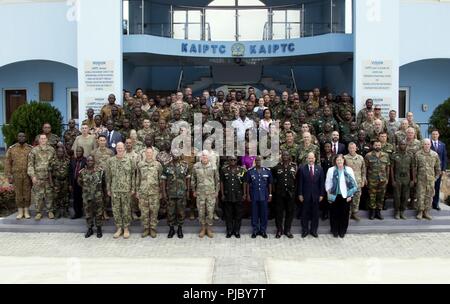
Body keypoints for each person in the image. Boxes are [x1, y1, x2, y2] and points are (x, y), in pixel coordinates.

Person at [106, 142, 135, 239]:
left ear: (124, 148)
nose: (120, 149)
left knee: (126, 210)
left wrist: (133, 188)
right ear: (116, 149)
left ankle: (126, 228)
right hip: (115, 190)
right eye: (118, 148)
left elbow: (133, 176)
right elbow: (108, 176)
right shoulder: (111, 161)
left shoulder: (130, 160)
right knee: (116, 210)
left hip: (126, 190)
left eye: (121, 147)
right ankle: (119, 228)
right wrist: (108, 189)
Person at [325, 154, 358, 238]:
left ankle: (342, 231)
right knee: (334, 214)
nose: (339, 161)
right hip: (334, 195)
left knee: (344, 214)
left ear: (344, 160)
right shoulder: (331, 170)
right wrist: (329, 194)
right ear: (335, 161)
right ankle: (334, 230)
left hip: (346, 196)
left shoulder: (348, 169)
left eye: (341, 160)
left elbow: (353, 184)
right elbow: (328, 183)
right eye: (337, 160)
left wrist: (350, 195)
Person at [161, 150, 191, 239]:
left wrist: (188, 191)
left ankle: (180, 228)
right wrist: (164, 193)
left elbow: (188, 179)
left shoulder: (185, 165)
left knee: (181, 212)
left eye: (177, 154)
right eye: (174, 154)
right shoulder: (166, 166)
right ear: (171, 155)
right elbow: (163, 180)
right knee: (170, 212)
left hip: (181, 193)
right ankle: (171, 229)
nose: (175, 155)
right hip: (170, 193)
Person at [191, 150, 220, 238]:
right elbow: (193, 179)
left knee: (210, 212)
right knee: (201, 212)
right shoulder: (196, 166)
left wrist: (217, 191)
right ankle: (203, 228)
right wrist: (194, 190)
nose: (204, 157)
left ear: (209, 157)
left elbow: (217, 179)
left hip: (211, 193)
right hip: (200, 193)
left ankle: (209, 229)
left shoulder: (213, 166)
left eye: (206, 156)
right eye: (203, 156)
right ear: (200, 157)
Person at [136, 147, 163, 238]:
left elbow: (160, 179)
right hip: (143, 192)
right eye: (147, 153)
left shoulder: (158, 165)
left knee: (154, 211)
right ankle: (146, 228)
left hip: (154, 192)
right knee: (144, 212)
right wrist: (137, 191)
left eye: (150, 153)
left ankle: (153, 228)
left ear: (153, 154)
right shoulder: (140, 165)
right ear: (145, 154)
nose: (148, 154)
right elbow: (138, 179)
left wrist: (161, 192)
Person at [5, 132, 33, 219]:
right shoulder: (12, 149)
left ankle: (26, 211)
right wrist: (9, 175)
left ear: (26, 138)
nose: (21, 138)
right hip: (16, 175)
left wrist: (33, 175)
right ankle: (20, 211)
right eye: (20, 136)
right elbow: (7, 163)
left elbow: (34, 162)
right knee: (18, 193)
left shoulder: (30, 149)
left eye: (23, 136)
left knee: (27, 192)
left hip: (27, 175)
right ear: (17, 138)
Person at [27, 134, 55, 220]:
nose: (43, 140)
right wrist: (33, 176)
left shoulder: (51, 150)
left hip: (48, 177)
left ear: (47, 140)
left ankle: (50, 211)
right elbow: (30, 164)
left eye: (44, 138)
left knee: (49, 195)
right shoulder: (34, 150)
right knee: (38, 196)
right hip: (38, 178)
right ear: (39, 140)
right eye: (41, 138)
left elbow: (55, 162)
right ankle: (38, 212)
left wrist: (54, 175)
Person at [298, 152, 325, 238]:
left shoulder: (319, 169)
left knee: (315, 214)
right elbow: (300, 183)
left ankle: (314, 230)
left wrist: (321, 194)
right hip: (305, 195)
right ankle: (305, 230)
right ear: (307, 159)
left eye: (312, 158)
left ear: (315, 159)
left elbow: (322, 183)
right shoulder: (302, 169)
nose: (311, 160)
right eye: (309, 158)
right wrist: (300, 194)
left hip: (316, 196)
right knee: (304, 214)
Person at [77, 155, 105, 238]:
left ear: (94, 161)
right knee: (88, 214)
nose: (90, 162)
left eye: (91, 161)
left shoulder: (100, 171)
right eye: (88, 161)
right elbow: (80, 183)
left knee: (99, 213)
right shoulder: (82, 172)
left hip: (98, 196)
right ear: (86, 162)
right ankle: (90, 229)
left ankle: (99, 228)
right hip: (87, 197)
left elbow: (103, 183)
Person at [272, 151, 297, 238]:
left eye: (287, 155)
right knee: (279, 212)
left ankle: (287, 230)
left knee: (289, 212)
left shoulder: (294, 166)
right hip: (279, 194)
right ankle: (279, 230)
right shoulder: (276, 167)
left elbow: (296, 180)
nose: (285, 156)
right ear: (281, 157)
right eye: (284, 155)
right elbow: (273, 181)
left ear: (289, 156)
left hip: (290, 194)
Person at [246, 156, 272, 238]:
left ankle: (263, 230)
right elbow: (247, 184)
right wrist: (248, 194)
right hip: (254, 195)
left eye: (259, 160)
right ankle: (255, 230)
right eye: (256, 160)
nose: (258, 162)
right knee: (254, 214)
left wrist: (270, 194)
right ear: (254, 161)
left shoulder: (267, 171)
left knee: (264, 214)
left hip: (264, 195)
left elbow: (270, 183)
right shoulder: (250, 171)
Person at [220, 156, 246, 238]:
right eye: (231, 160)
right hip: (228, 195)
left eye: (234, 160)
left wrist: (244, 194)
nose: (233, 161)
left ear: (237, 160)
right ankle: (229, 231)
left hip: (238, 195)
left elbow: (244, 183)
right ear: (228, 160)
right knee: (228, 215)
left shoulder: (242, 170)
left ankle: (237, 231)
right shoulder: (224, 170)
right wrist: (223, 194)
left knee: (238, 214)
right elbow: (221, 182)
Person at [415, 139, 441, 220]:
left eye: (428, 144)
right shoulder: (418, 154)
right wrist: (415, 178)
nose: (426, 145)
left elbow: (438, 168)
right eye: (425, 144)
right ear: (422, 145)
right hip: (421, 179)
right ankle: (420, 211)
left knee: (429, 196)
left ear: (430, 145)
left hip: (430, 180)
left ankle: (426, 212)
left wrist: (435, 178)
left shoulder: (434, 154)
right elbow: (414, 168)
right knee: (420, 195)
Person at [365, 140, 390, 220]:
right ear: (373, 146)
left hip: (382, 180)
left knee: (381, 196)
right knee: (372, 196)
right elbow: (365, 168)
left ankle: (378, 212)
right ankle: (372, 212)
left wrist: (387, 178)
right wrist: (365, 178)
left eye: (379, 145)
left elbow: (388, 167)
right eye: (376, 145)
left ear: (381, 145)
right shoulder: (368, 155)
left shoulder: (385, 155)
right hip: (372, 179)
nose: (377, 146)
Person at [390, 140, 415, 219]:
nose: (402, 146)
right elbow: (391, 168)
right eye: (401, 144)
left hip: (406, 179)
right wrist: (393, 180)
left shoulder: (410, 155)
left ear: (406, 145)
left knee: (405, 196)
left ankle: (402, 212)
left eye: (404, 144)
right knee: (397, 196)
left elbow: (413, 168)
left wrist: (413, 180)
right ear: (398, 145)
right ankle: (397, 212)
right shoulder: (394, 155)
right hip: (397, 178)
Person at [344, 142, 366, 221]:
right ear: (348, 148)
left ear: (356, 148)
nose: (352, 149)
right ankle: (348, 214)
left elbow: (363, 170)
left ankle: (354, 213)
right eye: (350, 148)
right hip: (348, 183)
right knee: (348, 199)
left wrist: (363, 180)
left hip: (358, 182)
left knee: (356, 199)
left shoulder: (360, 158)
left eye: (353, 148)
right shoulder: (344, 158)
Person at [49, 145, 71, 218]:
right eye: (59, 151)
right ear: (56, 152)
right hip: (56, 181)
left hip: (65, 181)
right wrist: (51, 182)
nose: (60, 153)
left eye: (62, 152)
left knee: (66, 197)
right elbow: (49, 172)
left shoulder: (67, 161)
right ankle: (57, 211)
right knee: (56, 196)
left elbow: (70, 173)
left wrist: (70, 184)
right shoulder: (53, 161)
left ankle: (65, 211)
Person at [430, 130, 447, 210]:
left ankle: (435, 204)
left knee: (437, 187)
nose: (435, 135)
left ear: (438, 135)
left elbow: (444, 158)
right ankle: (428, 204)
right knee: (429, 187)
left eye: (436, 134)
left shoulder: (442, 145)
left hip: (438, 170)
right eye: (433, 134)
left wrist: (443, 169)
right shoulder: (427, 144)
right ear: (431, 135)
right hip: (429, 169)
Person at [69, 147, 86, 219]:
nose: (78, 152)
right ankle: (77, 213)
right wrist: (70, 184)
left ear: (83, 152)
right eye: (77, 151)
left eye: (80, 151)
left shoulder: (85, 160)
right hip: (74, 182)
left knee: (82, 198)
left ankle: (82, 212)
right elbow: (70, 172)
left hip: (82, 182)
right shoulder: (73, 160)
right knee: (75, 198)